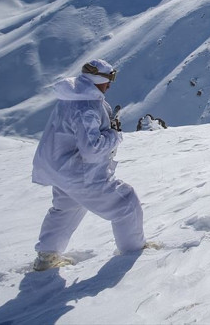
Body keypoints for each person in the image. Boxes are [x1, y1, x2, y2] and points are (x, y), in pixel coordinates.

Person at [31, 59, 149, 271]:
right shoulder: (86, 107)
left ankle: (47, 257)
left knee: (66, 208)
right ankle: (134, 255)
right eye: (108, 79)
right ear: (98, 80)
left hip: (60, 168)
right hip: (78, 171)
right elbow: (92, 149)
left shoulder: (70, 98)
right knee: (126, 203)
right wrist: (114, 135)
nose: (110, 84)